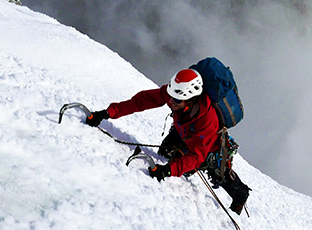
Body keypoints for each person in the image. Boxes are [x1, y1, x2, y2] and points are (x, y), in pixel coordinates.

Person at [86, 68, 251, 214]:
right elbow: (141, 101)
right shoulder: (177, 94)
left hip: (208, 148)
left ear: (191, 99)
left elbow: (196, 157)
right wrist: (108, 113)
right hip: (183, 131)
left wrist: (169, 170)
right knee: (164, 155)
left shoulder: (207, 119)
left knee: (219, 176)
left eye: (176, 100)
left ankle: (241, 194)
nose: (171, 101)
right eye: (171, 96)